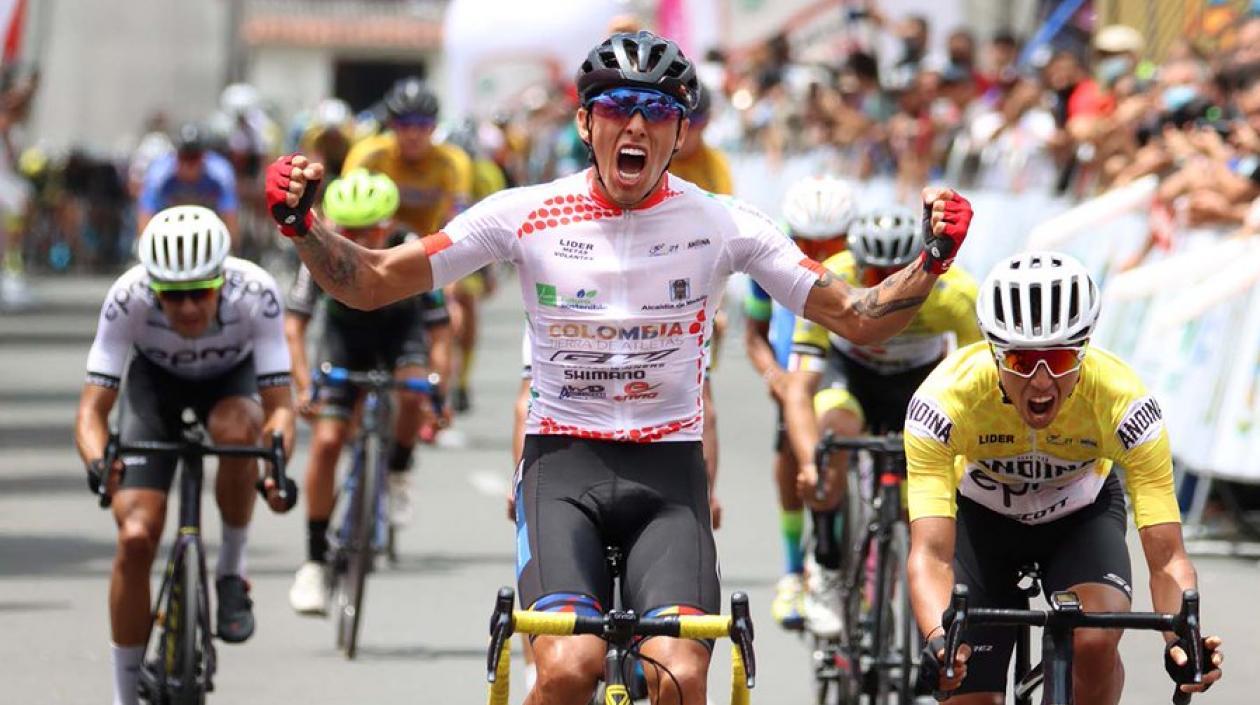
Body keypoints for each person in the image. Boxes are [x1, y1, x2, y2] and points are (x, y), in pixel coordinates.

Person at [264, 31, 974, 705]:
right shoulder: (525, 212)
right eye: (616, 108)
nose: (636, 126)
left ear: (680, 132)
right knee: (569, 667)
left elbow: (856, 313)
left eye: (658, 111)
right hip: (561, 464)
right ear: (584, 121)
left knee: (679, 670)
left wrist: (932, 259)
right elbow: (375, 279)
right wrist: (305, 225)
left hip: (668, 473)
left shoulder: (723, 222)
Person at [906, 252, 1224, 703]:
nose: (1041, 382)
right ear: (994, 353)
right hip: (982, 520)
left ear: (1085, 348)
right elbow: (931, 553)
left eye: (1058, 359)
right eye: (1020, 362)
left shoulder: (1123, 402)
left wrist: (1180, 641)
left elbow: (1168, 558)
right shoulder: (945, 400)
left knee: (1092, 639)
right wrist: (939, 638)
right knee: (966, 688)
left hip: (1080, 518)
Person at [74, 206, 296, 705]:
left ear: (223, 279)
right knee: (135, 538)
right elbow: (92, 410)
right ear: (154, 288)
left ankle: (231, 573)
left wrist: (274, 466)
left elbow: (280, 409)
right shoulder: (127, 297)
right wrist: (97, 462)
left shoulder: (257, 293)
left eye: (201, 292)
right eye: (174, 297)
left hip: (230, 385)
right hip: (155, 389)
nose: (190, 309)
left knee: (238, 428)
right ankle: (123, 696)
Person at [784, 205, 980, 639]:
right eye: (874, 277)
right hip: (851, 373)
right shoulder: (830, 276)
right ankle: (828, 569)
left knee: (925, 505)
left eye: (899, 273)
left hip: (918, 383)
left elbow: (981, 387)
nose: (888, 286)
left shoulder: (955, 294)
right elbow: (799, 388)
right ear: (856, 266)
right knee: (833, 437)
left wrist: (968, 460)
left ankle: (930, 600)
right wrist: (810, 463)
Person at [285, 170, 452, 614]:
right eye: (349, 230)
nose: (359, 238)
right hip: (345, 342)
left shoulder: (412, 244)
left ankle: (397, 470)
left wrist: (440, 390)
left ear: (389, 223)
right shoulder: (320, 252)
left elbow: (439, 332)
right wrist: (304, 386)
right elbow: (294, 326)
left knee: (413, 393)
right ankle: (315, 561)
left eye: (369, 229)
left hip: (401, 335)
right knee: (325, 442)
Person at [743, 175, 856, 630]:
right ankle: (793, 570)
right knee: (793, 453)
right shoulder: (769, 269)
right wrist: (773, 375)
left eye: (830, 242)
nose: (819, 253)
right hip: (795, 373)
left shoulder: (860, 267)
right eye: (807, 242)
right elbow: (754, 338)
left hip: (840, 368)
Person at [136, 123, 239, 241]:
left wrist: (231, 248)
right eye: (184, 158)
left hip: (208, 233)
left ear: (203, 157)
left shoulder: (221, 173)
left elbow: (230, 216)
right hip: (168, 232)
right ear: (175, 156)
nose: (189, 165)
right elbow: (145, 214)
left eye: (194, 158)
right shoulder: (158, 174)